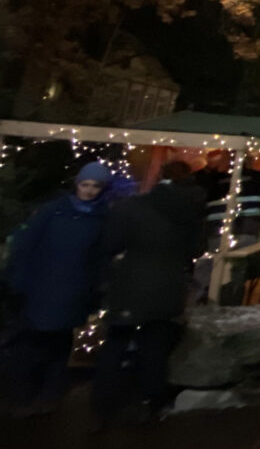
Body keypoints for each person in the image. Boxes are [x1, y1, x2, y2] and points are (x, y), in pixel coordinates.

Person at [92, 161, 205, 427]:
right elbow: (197, 249)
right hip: (168, 285)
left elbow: (110, 244)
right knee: (154, 346)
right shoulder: (187, 213)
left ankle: (103, 405)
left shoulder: (131, 207)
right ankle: (150, 401)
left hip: (130, 284)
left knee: (116, 342)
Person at [3, 161, 112, 416]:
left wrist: (91, 292)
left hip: (72, 290)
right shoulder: (52, 212)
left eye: (95, 186)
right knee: (34, 345)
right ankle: (25, 395)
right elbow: (24, 246)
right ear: (77, 184)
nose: (89, 190)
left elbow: (98, 260)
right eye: (85, 184)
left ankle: (45, 395)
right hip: (41, 287)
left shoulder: (100, 218)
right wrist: (17, 283)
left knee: (56, 346)